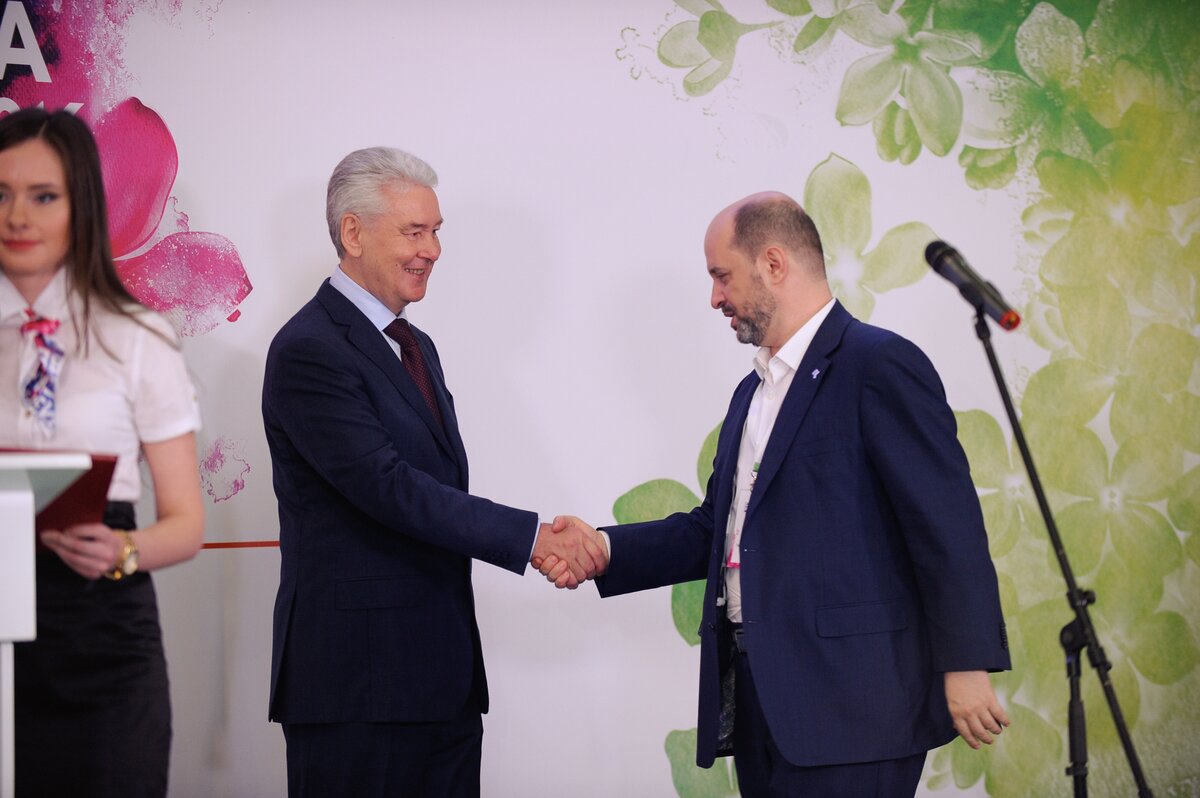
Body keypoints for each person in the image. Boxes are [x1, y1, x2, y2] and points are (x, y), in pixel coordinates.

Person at [539, 192, 1011, 797]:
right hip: (764, 707)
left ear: (773, 263)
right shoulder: (752, 393)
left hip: (857, 709)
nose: (715, 298)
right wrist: (604, 550)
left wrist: (965, 664)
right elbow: (717, 529)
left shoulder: (879, 364)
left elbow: (945, 525)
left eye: (722, 275)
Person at [262, 146, 607, 798]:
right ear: (353, 233)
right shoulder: (310, 350)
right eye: (414, 232)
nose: (433, 250)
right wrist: (533, 538)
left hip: (439, 685)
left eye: (436, 231)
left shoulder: (414, 346)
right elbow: (389, 487)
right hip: (358, 690)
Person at [0, 108, 204, 797]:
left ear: (81, 204)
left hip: (102, 649)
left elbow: (186, 523)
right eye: (1, 194)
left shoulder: (136, 336)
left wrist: (123, 551)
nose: (17, 216)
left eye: (43, 196)